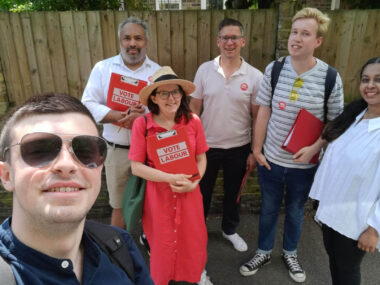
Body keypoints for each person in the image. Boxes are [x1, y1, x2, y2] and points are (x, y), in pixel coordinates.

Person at [0, 93, 153, 284]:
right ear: (7, 175)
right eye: (39, 151)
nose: (66, 165)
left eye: (85, 151)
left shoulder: (119, 245)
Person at [240, 7, 344, 283]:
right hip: (270, 161)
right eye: (294, 32)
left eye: (305, 33)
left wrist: (314, 148)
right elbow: (264, 111)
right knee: (269, 209)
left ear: (317, 41)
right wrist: (257, 150)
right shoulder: (274, 69)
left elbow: (335, 124)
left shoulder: (331, 78)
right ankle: (262, 251)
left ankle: (290, 253)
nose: (296, 38)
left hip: (304, 165)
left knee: (297, 211)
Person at [129, 66, 212, 285]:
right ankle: (161, 279)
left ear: (182, 94)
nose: (171, 98)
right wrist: (168, 179)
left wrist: (195, 183)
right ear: (154, 98)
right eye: (163, 93)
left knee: (193, 239)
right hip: (158, 196)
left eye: (175, 92)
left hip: (189, 193)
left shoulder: (193, 121)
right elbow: (136, 167)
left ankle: (197, 274)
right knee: (162, 242)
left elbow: (201, 159)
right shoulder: (142, 124)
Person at [190, 18, 263, 252]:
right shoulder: (204, 70)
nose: (229, 42)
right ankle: (197, 232)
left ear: (242, 41)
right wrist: (191, 145)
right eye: (225, 38)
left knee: (234, 194)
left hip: (239, 148)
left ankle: (229, 229)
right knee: (201, 194)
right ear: (218, 41)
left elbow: (258, 117)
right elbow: (193, 110)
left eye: (234, 38)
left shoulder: (254, 76)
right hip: (206, 147)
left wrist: (255, 151)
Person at [82, 17, 160, 229]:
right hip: (117, 151)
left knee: (153, 203)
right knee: (118, 205)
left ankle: (148, 240)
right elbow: (87, 103)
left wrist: (141, 120)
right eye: (127, 38)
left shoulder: (158, 72)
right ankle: (119, 247)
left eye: (138, 38)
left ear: (146, 42)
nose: (132, 43)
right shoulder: (103, 68)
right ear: (120, 40)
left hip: (150, 151)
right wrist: (119, 116)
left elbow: (168, 111)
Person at [309, 57, 380, 285]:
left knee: (347, 269)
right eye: (365, 79)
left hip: (357, 219)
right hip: (332, 209)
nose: (370, 85)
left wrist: (375, 229)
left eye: (378, 80)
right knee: (335, 262)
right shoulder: (354, 116)